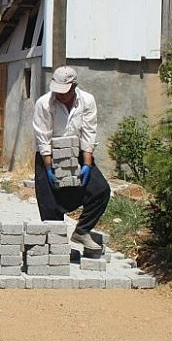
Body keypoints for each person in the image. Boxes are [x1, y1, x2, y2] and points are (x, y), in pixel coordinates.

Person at [32, 65, 111, 253]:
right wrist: (49, 168)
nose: (60, 96)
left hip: (77, 153)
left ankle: (82, 231)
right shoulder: (44, 103)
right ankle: (58, 250)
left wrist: (87, 164)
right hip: (48, 156)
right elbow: (42, 137)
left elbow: (89, 132)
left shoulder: (87, 101)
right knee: (49, 204)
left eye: (64, 93)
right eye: (57, 92)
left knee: (100, 190)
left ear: (74, 86)